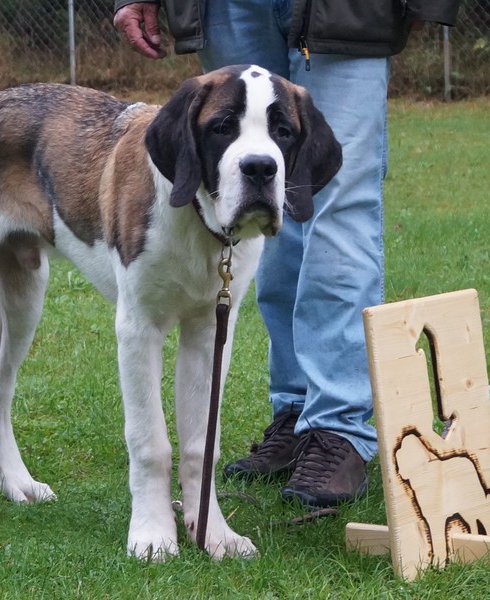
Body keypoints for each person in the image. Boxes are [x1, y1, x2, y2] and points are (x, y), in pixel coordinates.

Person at [114, 0, 461, 508]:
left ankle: (337, 428)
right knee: (255, 200)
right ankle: (296, 413)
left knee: (339, 202)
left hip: (349, 10)